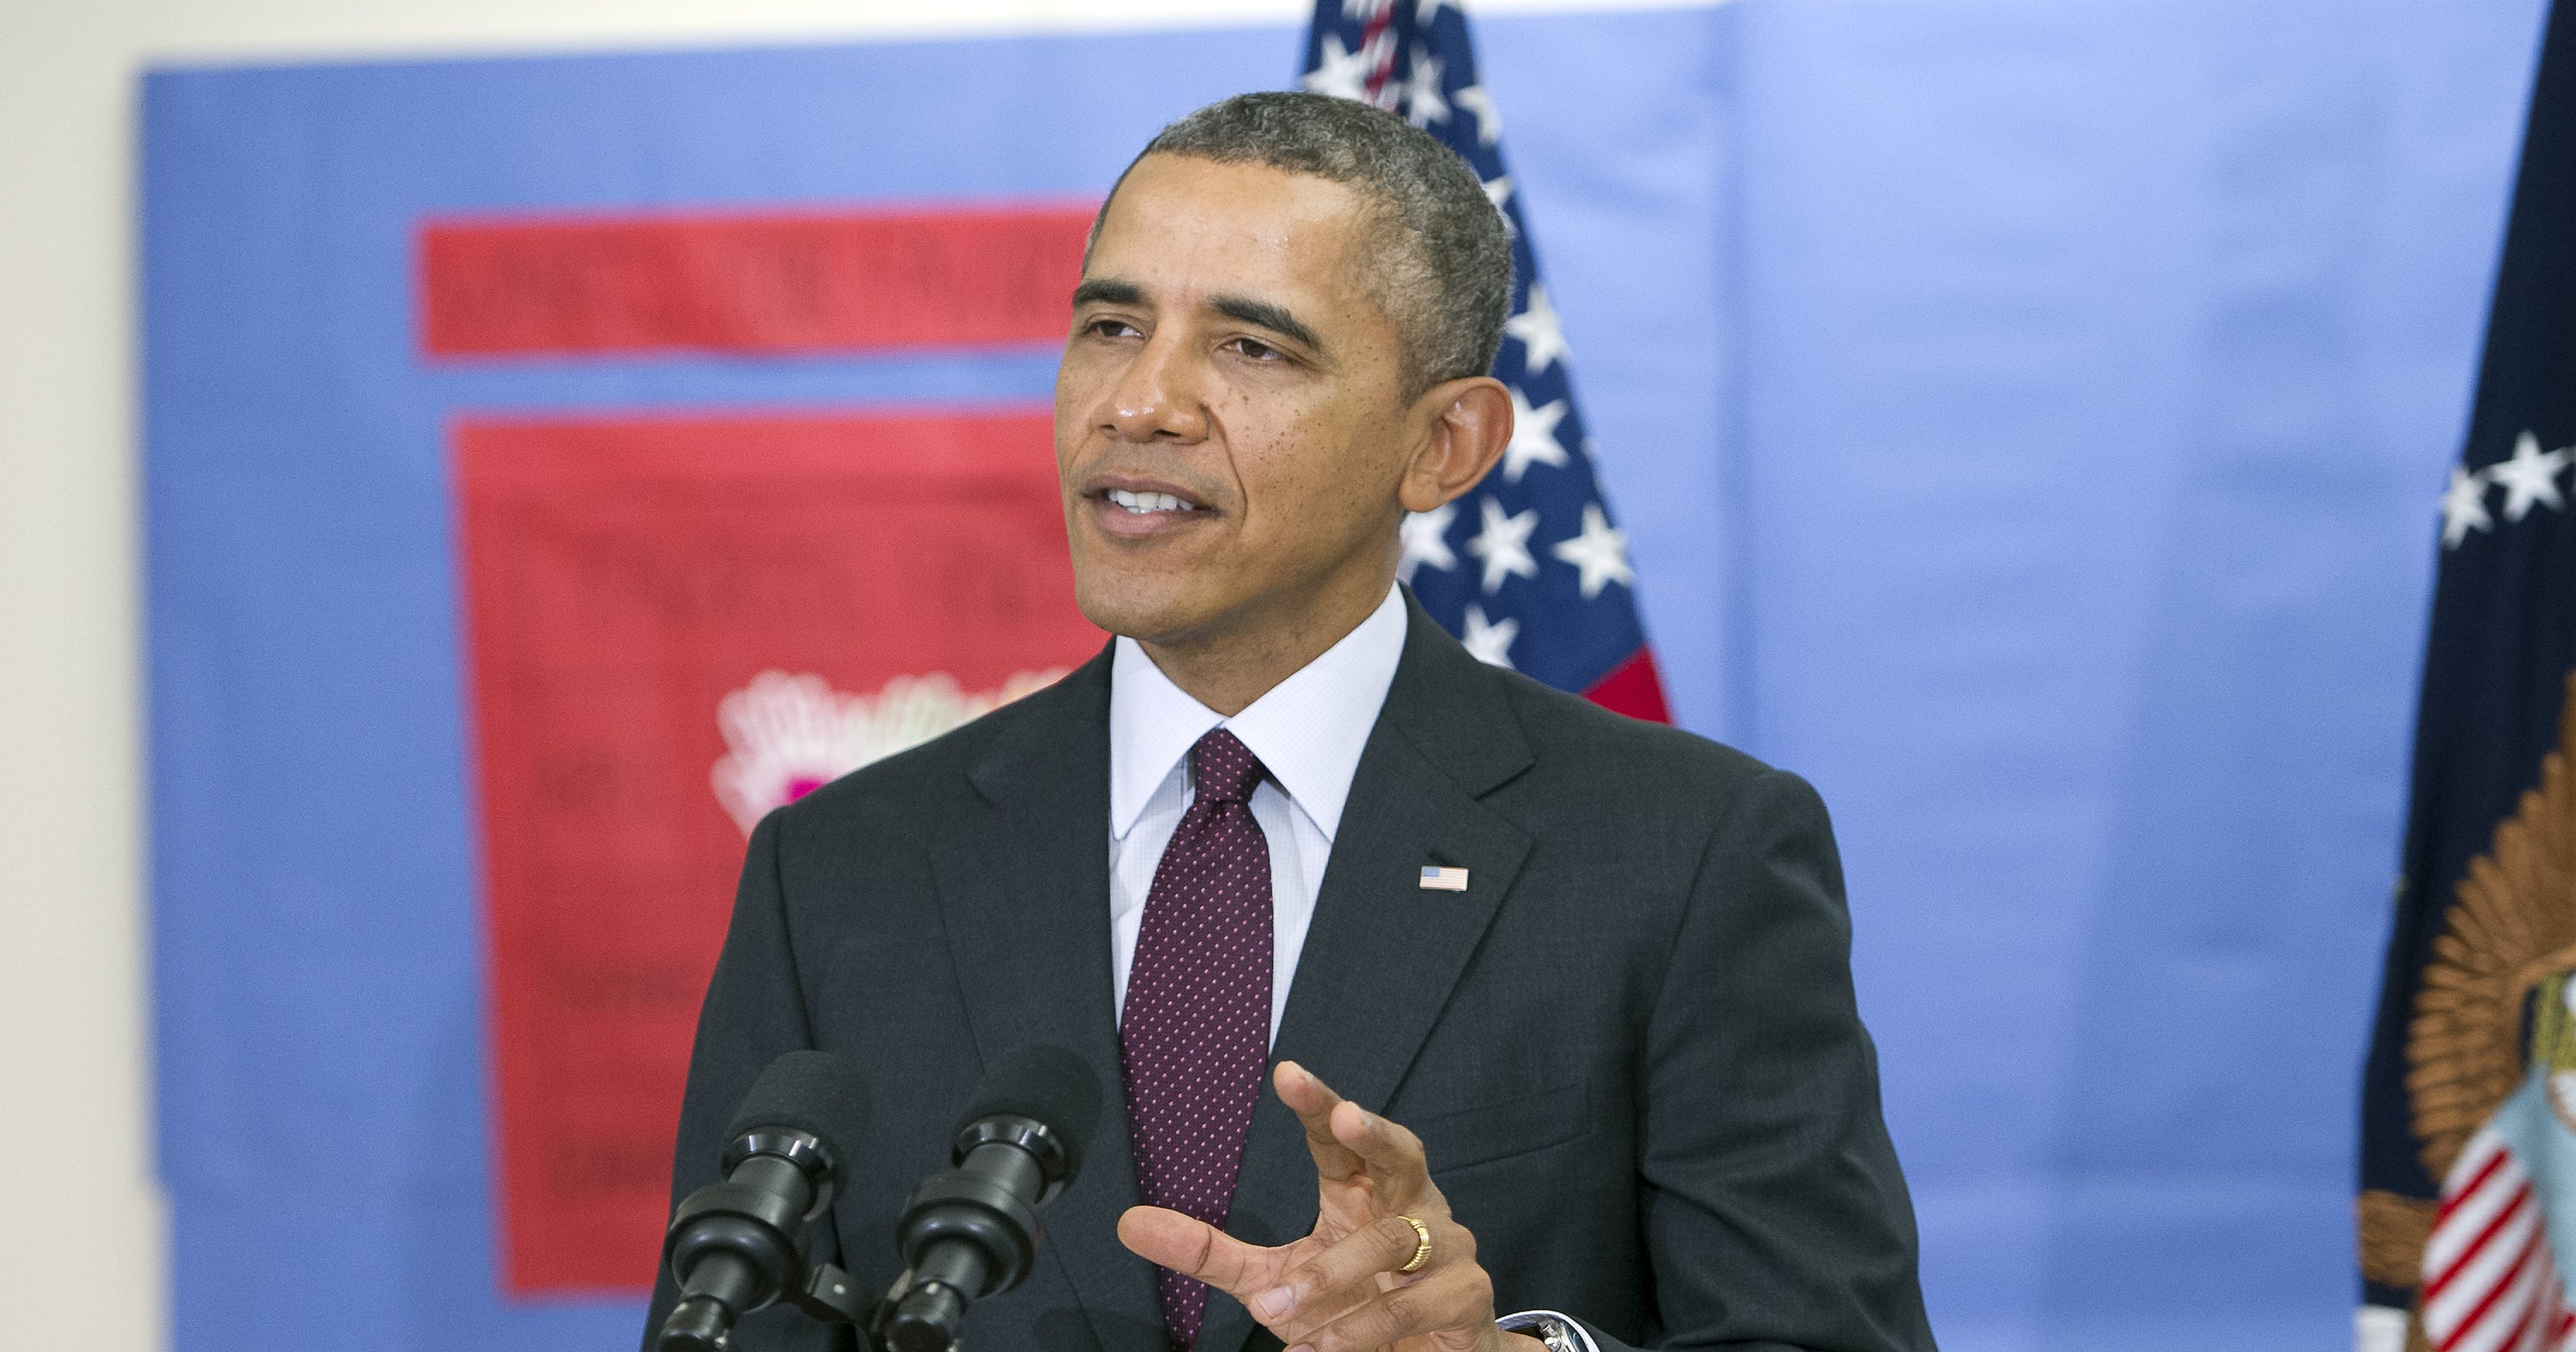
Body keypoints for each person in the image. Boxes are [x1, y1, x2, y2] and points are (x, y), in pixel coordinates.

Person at [646, 91, 1934, 1352]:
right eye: (1108, 325)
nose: (1139, 403)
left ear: (1444, 444)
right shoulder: (841, 869)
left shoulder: (1683, 853)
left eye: (1250, 346)